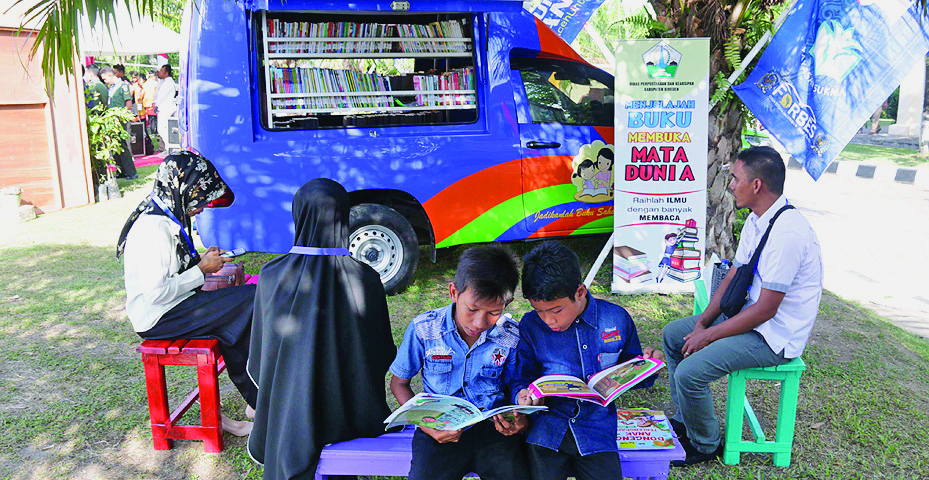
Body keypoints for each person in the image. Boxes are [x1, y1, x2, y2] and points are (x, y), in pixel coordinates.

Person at [662, 146, 822, 466]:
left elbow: (766, 311)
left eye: (735, 178)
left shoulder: (788, 233)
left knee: (691, 372)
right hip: (750, 314)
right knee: (673, 335)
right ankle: (686, 417)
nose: (731, 185)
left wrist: (708, 337)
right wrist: (702, 322)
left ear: (757, 185)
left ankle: (705, 444)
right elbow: (734, 275)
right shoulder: (757, 219)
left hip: (774, 336)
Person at [247, 178, 397, 480]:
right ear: (344, 214)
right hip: (352, 413)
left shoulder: (272, 275)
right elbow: (382, 352)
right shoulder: (366, 277)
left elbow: (262, 357)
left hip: (290, 416)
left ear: (298, 213)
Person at [117, 151, 256, 435]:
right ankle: (258, 400)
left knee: (236, 318)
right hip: (159, 316)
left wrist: (201, 261)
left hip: (176, 305)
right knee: (251, 300)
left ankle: (257, 400)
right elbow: (156, 293)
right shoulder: (153, 228)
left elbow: (172, 271)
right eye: (199, 198)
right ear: (183, 188)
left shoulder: (166, 214)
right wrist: (202, 270)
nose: (203, 207)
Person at [513, 241, 664, 480]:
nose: (548, 320)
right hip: (547, 429)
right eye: (539, 311)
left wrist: (649, 366)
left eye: (556, 310)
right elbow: (520, 377)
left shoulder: (616, 319)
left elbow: (634, 370)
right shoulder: (531, 326)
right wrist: (521, 395)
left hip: (596, 431)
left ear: (580, 292)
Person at [389, 245, 528, 480]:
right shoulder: (425, 329)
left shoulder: (510, 336)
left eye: (493, 312)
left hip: (493, 429)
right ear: (454, 292)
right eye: (472, 309)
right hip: (438, 429)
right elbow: (398, 384)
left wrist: (521, 413)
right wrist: (425, 426)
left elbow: (516, 384)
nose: (479, 322)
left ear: (507, 303)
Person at [100, 66, 138, 179]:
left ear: (111, 76)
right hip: (112, 120)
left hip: (120, 120)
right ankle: (121, 170)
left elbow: (129, 104)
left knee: (122, 145)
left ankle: (131, 172)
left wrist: (121, 115)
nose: (104, 81)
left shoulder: (123, 86)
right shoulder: (111, 87)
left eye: (105, 79)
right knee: (114, 146)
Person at [155, 64, 178, 147]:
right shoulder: (163, 82)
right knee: (162, 129)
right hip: (163, 108)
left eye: (161, 71)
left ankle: (168, 147)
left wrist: (156, 104)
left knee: (163, 129)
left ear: (166, 73)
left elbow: (162, 95)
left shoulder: (168, 82)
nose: (159, 73)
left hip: (166, 108)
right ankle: (167, 147)